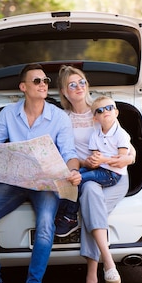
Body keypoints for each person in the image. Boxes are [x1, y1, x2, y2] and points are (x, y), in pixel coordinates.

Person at [0, 63, 82, 283]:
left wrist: (72, 170)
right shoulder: (8, 114)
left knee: (45, 225)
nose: (43, 84)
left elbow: (69, 153)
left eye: (45, 81)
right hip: (15, 181)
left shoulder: (60, 118)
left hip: (46, 185)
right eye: (37, 81)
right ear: (23, 87)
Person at [56, 65, 135, 283]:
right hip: (84, 175)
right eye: (72, 84)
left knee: (90, 207)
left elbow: (126, 146)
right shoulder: (63, 119)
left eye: (81, 82)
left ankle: (93, 279)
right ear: (64, 92)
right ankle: (107, 265)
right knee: (90, 193)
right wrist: (84, 162)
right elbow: (64, 153)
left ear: (87, 85)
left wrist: (129, 157)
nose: (78, 87)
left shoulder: (102, 107)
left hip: (113, 176)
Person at [55, 95, 131, 237]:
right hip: (100, 169)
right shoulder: (95, 135)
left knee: (78, 179)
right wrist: (94, 161)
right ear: (95, 118)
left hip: (112, 174)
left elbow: (122, 158)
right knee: (72, 176)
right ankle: (62, 212)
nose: (105, 111)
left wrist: (103, 160)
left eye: (109, 108)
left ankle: (70, 217)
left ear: (116, 112)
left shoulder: (121, 134)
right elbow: (96, 157)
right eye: (100, 110)